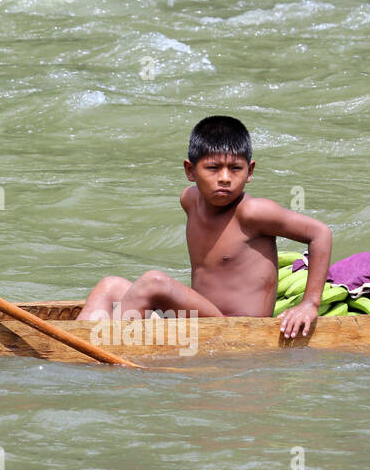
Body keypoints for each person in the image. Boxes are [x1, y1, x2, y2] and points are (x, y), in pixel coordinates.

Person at [78, 115, 332, 338]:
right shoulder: (189, 200)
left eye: (235, 169)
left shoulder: (253, 212)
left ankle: (111, 346)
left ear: (250, 171)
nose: (224, 178)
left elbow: (320, 233)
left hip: (238, 328)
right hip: (200, 322)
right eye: (212, 168)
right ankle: (82, 345)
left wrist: (309, 303)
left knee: (153, 281)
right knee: (109, 286)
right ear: (190, 170)